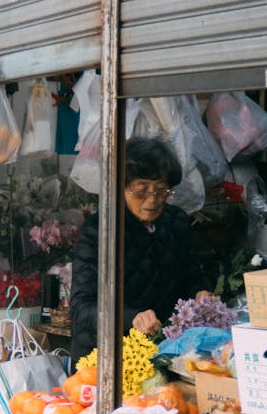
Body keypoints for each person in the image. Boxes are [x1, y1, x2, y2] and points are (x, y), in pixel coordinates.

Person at [70, 135, 211, 365]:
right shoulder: (100, 230)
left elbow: (191, 277)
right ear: (122, 188)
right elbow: (81, 308)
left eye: (160, 190)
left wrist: (200, 293)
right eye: (141, 190)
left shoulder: (177, 222)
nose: (152, 199)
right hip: (104, 357)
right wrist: (131, 318)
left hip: (162, 352)